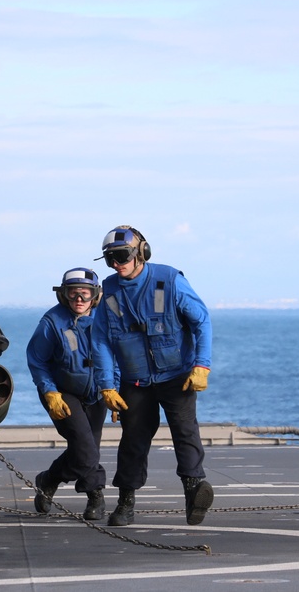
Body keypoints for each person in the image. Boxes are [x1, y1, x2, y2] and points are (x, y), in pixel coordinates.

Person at [91, 225, 214, 527]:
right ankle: (125, 502)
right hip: (135, 381)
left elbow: (202, 321)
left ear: (141, 253)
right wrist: (107, 386)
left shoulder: (169, 280)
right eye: (110, 260)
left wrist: (202, 365)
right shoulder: (109, 293)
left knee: (185, 432)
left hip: (177, 376)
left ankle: (194, 489)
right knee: (133, 440)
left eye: (122, 256)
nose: (117, 265)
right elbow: (101, 341)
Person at [26, 268, 110, 520]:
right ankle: (94, 494)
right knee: (86, 451)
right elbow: (37, 361)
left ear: (95, 296)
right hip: (62, 394)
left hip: (97, 393)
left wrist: (113, 390)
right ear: (64, 295)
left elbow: (116, 358)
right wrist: (50, 392)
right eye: (73, 294)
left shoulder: (106, 319)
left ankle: (49, 479)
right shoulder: (51, 322)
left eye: (85, 294)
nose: (79, 299)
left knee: (88, 448)